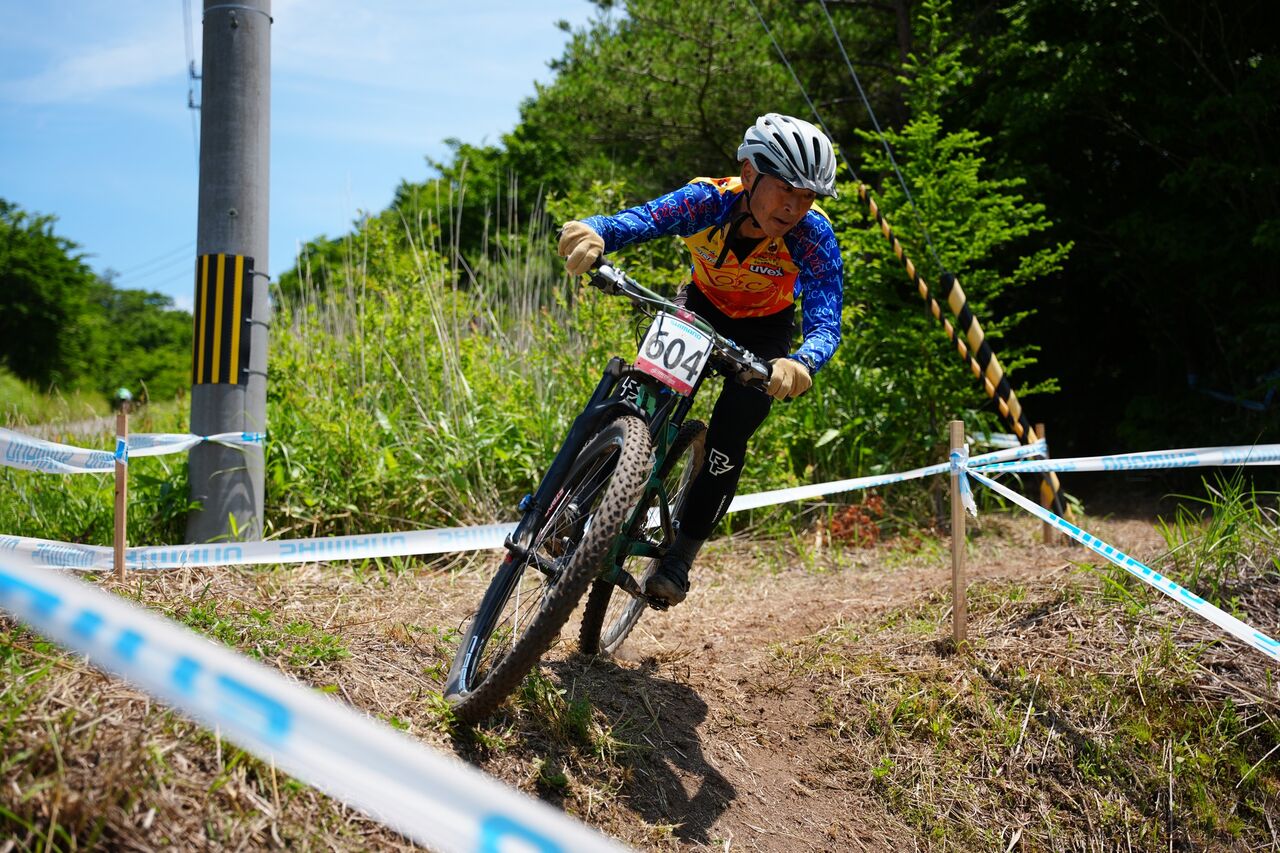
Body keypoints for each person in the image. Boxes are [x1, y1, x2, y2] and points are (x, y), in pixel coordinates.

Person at [557, 113, 845, 606]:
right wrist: (596, 231)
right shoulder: (709, 199)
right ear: (750, 173)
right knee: (638, 398)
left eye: (807, 196)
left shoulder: (813, 235)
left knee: (728, 440)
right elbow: (642, 220)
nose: (795, 207)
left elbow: (826, 320)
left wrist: (803, 361)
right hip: (699, 307)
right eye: (785, 189)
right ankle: (574, 504)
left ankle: (680, 557)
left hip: (766, 333)